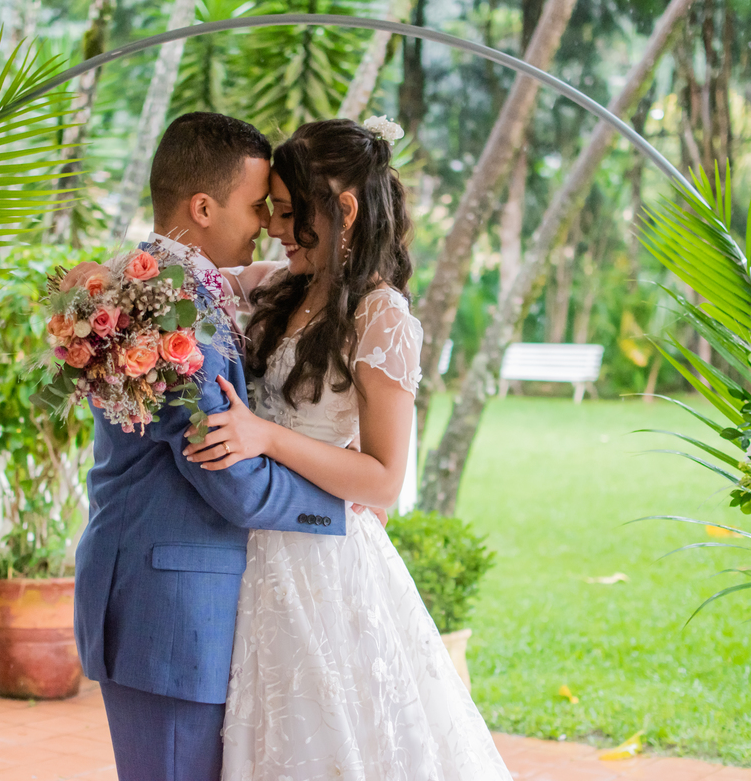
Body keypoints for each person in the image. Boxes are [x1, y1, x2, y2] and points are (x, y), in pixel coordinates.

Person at [181, 118, 513, 781]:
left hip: (325, 566)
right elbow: (184, 276)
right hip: (252, 555)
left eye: (285, 212)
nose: (273, 228)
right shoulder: (283, 285)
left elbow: (385, 481)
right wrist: (106, 278)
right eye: (269, 211)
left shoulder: (381, 314)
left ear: (344, 210)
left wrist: (265, 435)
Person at [73, 112, 351, 781]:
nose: (264, 225)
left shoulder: (161, 284)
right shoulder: (177, 308)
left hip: (162, 598)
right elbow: (228, 475)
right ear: (203, 206)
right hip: (169, 615)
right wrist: (340, 508)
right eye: (257, 206)